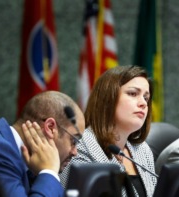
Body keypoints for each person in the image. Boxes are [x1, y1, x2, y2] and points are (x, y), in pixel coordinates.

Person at [60, 66, 157, 197]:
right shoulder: (80, 147)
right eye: (133, 94)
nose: (143, 103)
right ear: (108, 99)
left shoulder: (142, 150)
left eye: (146, 97)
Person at [0, 91, 85, 196]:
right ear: (50, 128)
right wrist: (49, 172)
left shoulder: (29, 161)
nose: (75, 152)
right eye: (74, 141)